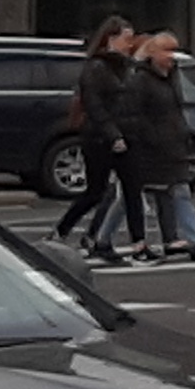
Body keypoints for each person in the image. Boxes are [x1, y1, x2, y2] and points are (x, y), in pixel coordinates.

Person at [126, 33, 195, 262]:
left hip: (172, 145)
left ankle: (185, 241)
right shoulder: (141, 80)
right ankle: (102, 238)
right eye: (166, 51)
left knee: (175, 191)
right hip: (151, 148)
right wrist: (148, 138)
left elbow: (174, 111)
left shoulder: (171, 77)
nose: (171, 57)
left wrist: (182, 135)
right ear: (153, 53)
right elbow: (135, 114)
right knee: (129, 197)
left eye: (173, 51)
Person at [56, 17, 137, 250]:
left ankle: (130, 242)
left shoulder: (125, 67)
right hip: (100, 137)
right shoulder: (96, 67)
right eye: (126, 39)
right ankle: (63, 231)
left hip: (122, 134)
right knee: (96, 191)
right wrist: (113, 134)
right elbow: (95, 106)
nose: (129, 44)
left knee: (128, 191)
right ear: (110, 39)